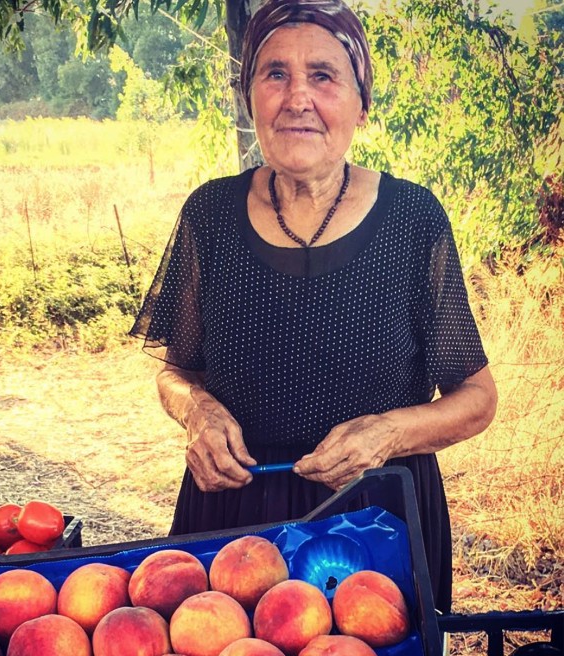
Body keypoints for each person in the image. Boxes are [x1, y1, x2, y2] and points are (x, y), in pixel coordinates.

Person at [130, 0, 497, 614]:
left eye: (323, 75)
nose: (297, 97)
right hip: (233, 519)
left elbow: (477, 399)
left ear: (361, 103)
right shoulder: (210, 215)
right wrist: (197, 412)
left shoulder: (412, 219)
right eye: (275, 74)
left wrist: (387, 432)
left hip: (373, 521)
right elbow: (177, 371)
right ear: (250, 96)